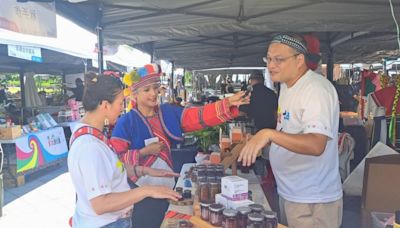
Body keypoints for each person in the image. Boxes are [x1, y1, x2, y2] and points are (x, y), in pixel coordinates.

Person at [110, 63, 249, 228]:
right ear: (134, 95)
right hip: (138, 189)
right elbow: (115, 161)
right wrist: (143, 152)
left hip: (166, 184)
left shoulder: (167, 112)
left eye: (156, 88)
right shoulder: (126, 122)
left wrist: (226, 104)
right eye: (146, 90)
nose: (154, 93)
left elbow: (197, 116)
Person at [239, 34, 343, 228]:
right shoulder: (287, 87)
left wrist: (268, 134)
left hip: (313, 201)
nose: (271, 65)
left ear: (299, 60)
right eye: (268, 59)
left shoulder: (316, 89)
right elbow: (289, 131)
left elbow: (316, 144)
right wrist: (261, 140)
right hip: (291, 193)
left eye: (279, 59)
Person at [68, 72, 181, 228]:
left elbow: (109, 169)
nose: (122, 109)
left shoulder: (88, 133)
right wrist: (147, 190)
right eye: (120, 103)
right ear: (105, 105)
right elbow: (101, 204)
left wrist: (142, 170)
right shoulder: (90, 146)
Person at [239, 70, 278, 176]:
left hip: (252, 130)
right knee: (268, 157)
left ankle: (254, 173)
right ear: (263, 80)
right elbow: (276, 114)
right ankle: (266, 175)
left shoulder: (248, 95)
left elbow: (241, 113)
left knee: (252, 155)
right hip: (270, 131)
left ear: (251, 81)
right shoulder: (272, 94)